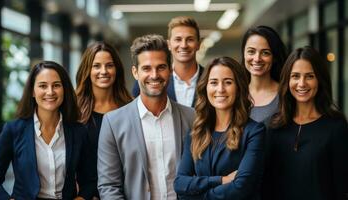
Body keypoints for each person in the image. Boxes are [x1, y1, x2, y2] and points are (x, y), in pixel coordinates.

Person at [97, 34, 194, 200]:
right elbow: (109, 185)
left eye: (161, 67)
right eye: (146, 68)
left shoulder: (192, 117)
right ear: (135, 72)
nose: (154, 75)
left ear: (170, 70)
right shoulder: (113, 122)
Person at [0, 61, 91, 199]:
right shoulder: (13, 130)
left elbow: (89, 180)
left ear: (64, 89)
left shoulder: (78, 131)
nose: (50, 92)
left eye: (56, 85)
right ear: (33, 91)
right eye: (43, 86)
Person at [174, 57, 266, 199]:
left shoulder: (254, 132)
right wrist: (221, 180)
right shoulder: (196, 132)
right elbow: (180, 184)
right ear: (206, 87)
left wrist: (196, 195)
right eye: (214, 82)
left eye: (228, 82)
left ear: (238, 87)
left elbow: (241, 188)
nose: (220, 89)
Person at [263, 46, 348, 200]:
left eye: (309, 76)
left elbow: (342, 187)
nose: (301, 83)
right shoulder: (273, 126)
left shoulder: (336, 126)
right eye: (295, 76)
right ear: (287, 80)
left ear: (320, 79)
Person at [75, 41, 132, 199]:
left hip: (123, 194)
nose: (104, 71)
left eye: (109, 65)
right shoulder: (74, 111)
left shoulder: (130, 108)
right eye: (97, 66)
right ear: (88, 70)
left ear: (117, 69)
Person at [132, 16, 204, 107]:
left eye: (190, 39)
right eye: (178, 39)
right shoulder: (146, 82)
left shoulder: (210, 78)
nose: (184, 45)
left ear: (198, 44)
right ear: (169, 44)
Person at [241, 25, 287, 126]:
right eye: (251, 51)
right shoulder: (236, 93)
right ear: (244, 54)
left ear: (274, 57)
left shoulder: (286, 95)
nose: (257, 58)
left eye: (265, 53)